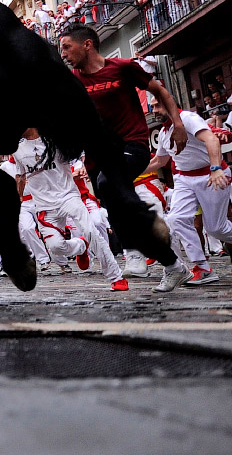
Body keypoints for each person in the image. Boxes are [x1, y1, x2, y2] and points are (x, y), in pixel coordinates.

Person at [58, 25, 191, 292]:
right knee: (117, 211)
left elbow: (160, 91)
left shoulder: (123, 67)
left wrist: (178, 124)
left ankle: (144, 237)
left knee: (110, 184)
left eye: (66, 46)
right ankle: (173, 265)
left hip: (133, 145)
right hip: (98, 156)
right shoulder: (72, 80)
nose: (63, 53)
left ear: (87, 45)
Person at [14, 129, 127, 291]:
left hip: (68, 196)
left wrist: (82, 165)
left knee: (90, 230)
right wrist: (17, 197)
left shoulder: (56, 138)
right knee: (55, 248)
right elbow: (21, 175)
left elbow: (79, 154)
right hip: (45, 207)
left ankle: (116, 277)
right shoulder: (17, 150)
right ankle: (81, 246)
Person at [147, 110, 231, 285]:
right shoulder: (163, 133)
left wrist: (216, 168)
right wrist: (127, 174)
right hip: (184, 178)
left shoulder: (188, 118)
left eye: (158, 105)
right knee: (176, 218)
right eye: (153, 106)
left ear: (169, 102)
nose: (155, 110)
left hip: (210, 175)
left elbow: (212, 139)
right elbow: (159, 162)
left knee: (216, 228)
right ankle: (202, 267)